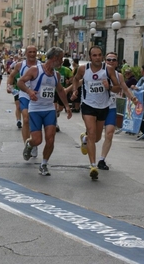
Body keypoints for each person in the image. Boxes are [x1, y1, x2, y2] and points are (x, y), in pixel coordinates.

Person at [16, 47, 72, 176]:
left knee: (51, 139)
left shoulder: (56, 75)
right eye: (61, 59)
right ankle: (29, 144)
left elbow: (61, 91)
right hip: (35, 109)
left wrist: (67, 107)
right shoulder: (35, 70)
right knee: (37, 140)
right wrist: (29, 92)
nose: (62, 62)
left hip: (49, 109)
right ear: (54, 58)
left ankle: (44, 164)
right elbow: (20, 82)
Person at [70, 46, 123, 180]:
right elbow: (75, 79)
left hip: (103, 106)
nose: (97, 58)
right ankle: (93, 166)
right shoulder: (84, 69)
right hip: (88, 105)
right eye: (94, 55)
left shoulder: (108, 69)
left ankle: (85, 139)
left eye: (99, 55)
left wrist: (109, 87)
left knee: (97, 138)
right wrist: (75, 90)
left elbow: (117, 88)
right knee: (92, 133)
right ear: (90, 57)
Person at [98, 52, 138, 170]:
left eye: (113, 60)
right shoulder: (98, 72)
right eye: (109, 59)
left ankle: (102, 160)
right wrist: (70, 90)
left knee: (109, 133)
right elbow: (81, 82)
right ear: (105, 61)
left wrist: (133, 98)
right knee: (94, 135)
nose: (111, 62)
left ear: (117, 62)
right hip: (97, 107)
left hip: (110, 107)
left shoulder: (118, 75)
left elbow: (125, 88)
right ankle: (85, 138)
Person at [7, 45, 41, 156]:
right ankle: (28, 146)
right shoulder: (20, 65)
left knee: (34, 121)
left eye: (34, 52)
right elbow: (11, 76)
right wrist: (9, 86)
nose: (32, 54)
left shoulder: (41, 65)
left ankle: (33, 142)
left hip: (37, 96)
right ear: (25, 53)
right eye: (30, 52)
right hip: (24, 94)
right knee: (26, 119)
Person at [54, 61, 73, 132]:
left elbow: (72, 78)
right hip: (53, 91)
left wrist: (69, 81)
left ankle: (57, 112)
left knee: (61, 108)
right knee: (54, 107)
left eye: (60, 63)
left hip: (62, 91)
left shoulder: (66, 70)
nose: (59, 64)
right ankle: (55, 123)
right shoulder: (52, 69)